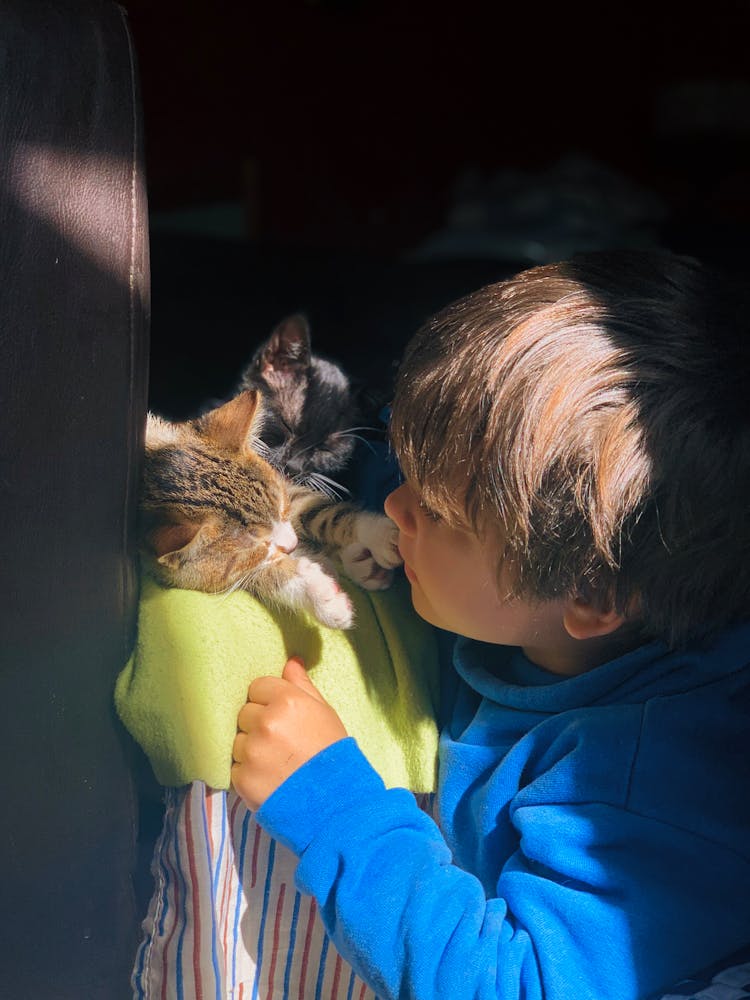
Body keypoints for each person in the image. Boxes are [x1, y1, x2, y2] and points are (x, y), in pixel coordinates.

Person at [230, 250, 750, 1000]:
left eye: (438, 514)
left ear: (593, 597)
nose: (400, 508)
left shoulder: (642, 785)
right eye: (407, 466)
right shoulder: (530, 584)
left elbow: (515, 985)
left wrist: (334, 806)